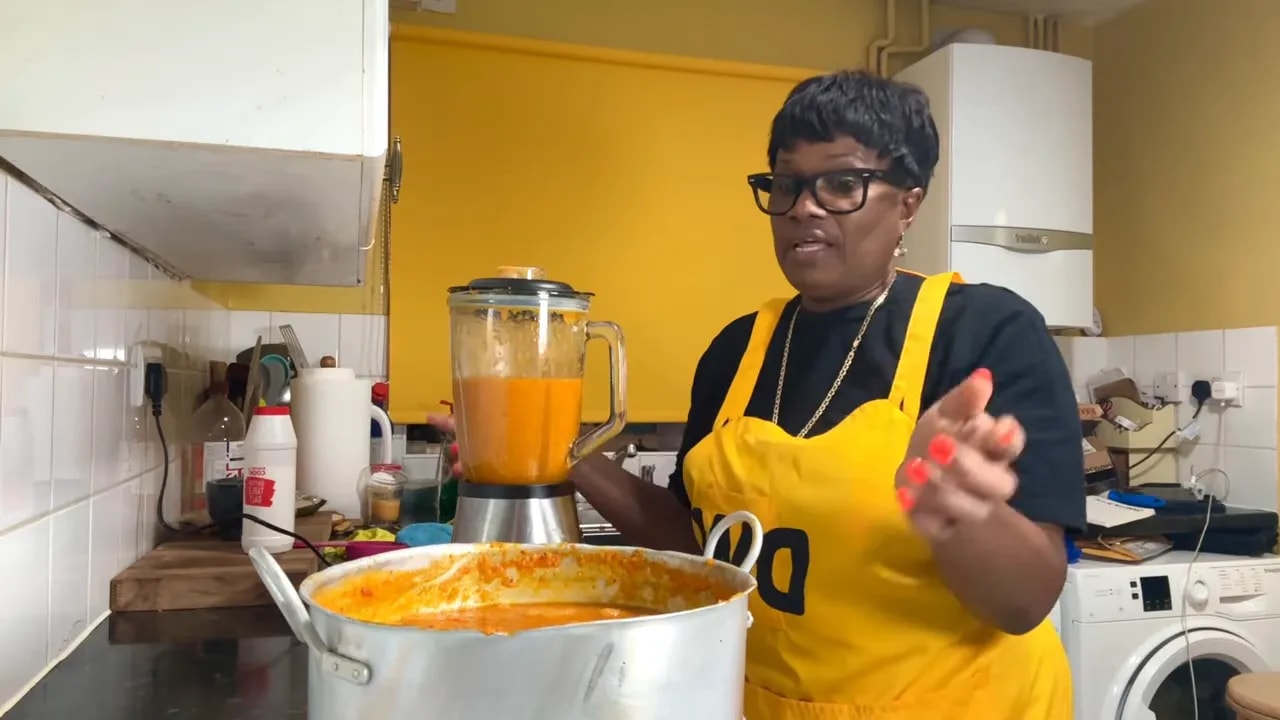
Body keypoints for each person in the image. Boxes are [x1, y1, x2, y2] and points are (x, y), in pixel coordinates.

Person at [430, 69, 1084, 719]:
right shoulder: (738, 351)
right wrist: (557, 453)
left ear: (908, 202)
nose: (805, 205)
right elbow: (703, 547)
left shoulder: (983, 333)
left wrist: (958, 507)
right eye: (787, 184)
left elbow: (1027, 601)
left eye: (841, 183)